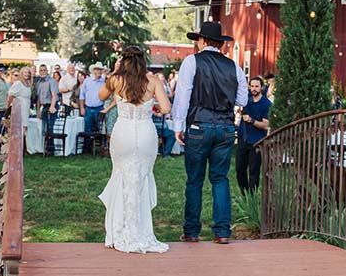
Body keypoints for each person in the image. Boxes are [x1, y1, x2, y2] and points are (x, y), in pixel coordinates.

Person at [172, 21, 248, 244]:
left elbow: (183, 96)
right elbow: (242, 99)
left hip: (199, 125)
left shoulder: (192, 61)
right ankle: (222, 232)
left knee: (195, 180)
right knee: (220, 179)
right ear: (220, 43)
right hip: (225, 127)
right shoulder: (233, 66)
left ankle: (191, 231)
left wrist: (178, 126)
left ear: (203, 41)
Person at [97, 46, 172, 253]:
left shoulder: (116, 79)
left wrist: (115, 71)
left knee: (121, 176)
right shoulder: (153, 80)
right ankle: (140, 231)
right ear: (143, 60)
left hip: (123, 133)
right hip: (146, 133)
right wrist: (152, 105)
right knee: (141, 178)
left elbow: (101, 96)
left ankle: (120, 230)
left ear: (123, 61)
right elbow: (166, 108)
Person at [236, 76, 271, 193]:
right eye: (252, 86)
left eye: (256, 86)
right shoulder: (246, 100)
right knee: (239, 169)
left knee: (253, 171)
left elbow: (266, 125)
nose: (254, 89)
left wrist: (251, 120)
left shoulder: (266, 104)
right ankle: (244, 194)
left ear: (262, 88)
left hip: (257, 141)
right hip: (243, 139)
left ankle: (252, 197)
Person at [80, 63, 106, 153]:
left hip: (99, 107)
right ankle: (87, 148)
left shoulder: (104, 82)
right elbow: (82, 95)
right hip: (88, 108)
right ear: (94, 70)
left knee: (100, 128)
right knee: (88, 128)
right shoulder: (87, 81)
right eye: (97, 69)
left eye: (100, 69)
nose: (99, 71)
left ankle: (101, 148)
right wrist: (82, 108)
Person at [35, 64, 58, 154]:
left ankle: (51, 149)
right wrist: (38, 110)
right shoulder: (38, 83)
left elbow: (54, 95)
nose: (42, 72)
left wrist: (52, 106)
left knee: (50, 127)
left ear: (47, 71)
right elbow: (38, 98)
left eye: (44, 70)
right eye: (41, 70)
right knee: (44, 128)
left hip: (51, 106)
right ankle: (44, 149)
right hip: (44, 107)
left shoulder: (52, 81)